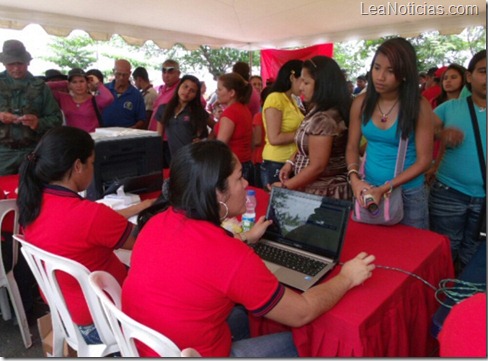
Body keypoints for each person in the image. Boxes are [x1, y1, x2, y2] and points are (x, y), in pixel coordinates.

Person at [121, 140, 376, 357]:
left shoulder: (157, 222)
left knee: (248, 315)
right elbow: (302, 312)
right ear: (217, 194)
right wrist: (347, 277)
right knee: (307, 343)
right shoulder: (229, 256)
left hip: (148, 345)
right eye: (239, 178)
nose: (245, 185)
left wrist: (244, 241)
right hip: (195, 352)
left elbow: (198, 262)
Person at [16, 126, 154, 345]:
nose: (93, 167)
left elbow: (82, 228)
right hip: (105, 320)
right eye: (92, 162)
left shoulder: (32, 203)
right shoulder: (90, 216)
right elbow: (143, 245)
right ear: (78, 166)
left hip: (66, 310)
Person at [345, 37, 433, 229]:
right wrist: (354, 180)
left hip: (408, 193)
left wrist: (386, 187)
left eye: (390, 71)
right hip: (367, 189)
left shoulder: (419, 106)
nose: (380, 76)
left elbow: (424, 161)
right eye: (377, 68)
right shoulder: (361, 102)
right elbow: (352, 146)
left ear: (404, 74)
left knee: (411, 251)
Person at [428, 50, 486, 269]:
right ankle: (442, 296)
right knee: (445, 249)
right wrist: (441, 134)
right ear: (470, 77)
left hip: (484, 200)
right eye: (483, 71)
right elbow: (422, 131)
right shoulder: (449, 107)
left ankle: (465, 299)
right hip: (449, 193)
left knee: (476, 253)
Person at [272, 56, 352, 199]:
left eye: (306, 82)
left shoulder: (325, 119)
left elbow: (317, 166)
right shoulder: (317, 111)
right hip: (313, 190)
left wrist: (285, 187)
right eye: (301, 81)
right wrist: (291, 162)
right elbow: (308, 145)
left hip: (324, 193)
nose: (301, 87)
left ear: (323, 84)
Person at [0, 39, 62, 175]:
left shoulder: (40, 87)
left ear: (27, 62)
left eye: (20, 63)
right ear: (4, 63)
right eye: (11, 64)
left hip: (33, 150)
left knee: (34, 190)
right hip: (2, 153)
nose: (16, 68)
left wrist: (38, 123)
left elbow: (57, 119)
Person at [260, 60, 304, 187]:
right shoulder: (275, 98)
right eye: (303, 81)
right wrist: (302, 134)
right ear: (292, 77)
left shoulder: (292, 100)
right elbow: (274, 138)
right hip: (276, 162)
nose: (303, 87)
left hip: (290, 161)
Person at [155, 75, 211, 157]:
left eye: (192, 91)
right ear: (179, 86)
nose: (187, 91)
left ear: (196, 95)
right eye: (185, 87)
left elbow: (217, 126)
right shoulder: (164, 109)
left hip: (195, 156)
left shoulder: (197, 111)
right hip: (174, 158)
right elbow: (158, 137)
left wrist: (206, 141)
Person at [214, 72, 254, 184]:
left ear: (231, 92)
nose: (217, 92)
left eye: (220, 89)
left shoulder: (230, 113)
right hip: (246, 161)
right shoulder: (243, 109)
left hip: (233, 165)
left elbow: (220, 145)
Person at [48, 68, 113, 133]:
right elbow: (45, 86)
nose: (79, 85)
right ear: (69, 84)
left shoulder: (94, 99)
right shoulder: (63, 98)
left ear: (87, 83)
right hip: (72, 139)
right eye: (74, 82)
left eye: (82, 81)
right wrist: (65, 83)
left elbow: (108, 98)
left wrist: (97, 83)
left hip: (92, 139)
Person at [102, 59, 146, 129]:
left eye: (124, 75)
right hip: (103, 133)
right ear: (113, 71)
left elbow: (142, 119)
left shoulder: (136, 95)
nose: (121, 77)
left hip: (127, 136)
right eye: (118, 74)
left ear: (129, 74)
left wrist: (132, 129)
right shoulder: (104, 90)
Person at [147, 59, 181, 131]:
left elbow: (200, 104)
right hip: (155, 133)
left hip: (168, 137)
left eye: (170, 72)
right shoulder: (163, 88)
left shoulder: (181, 89)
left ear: (178, 73)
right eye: (164, 71)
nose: (166, 75)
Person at [251, 86, 272, 189]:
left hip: (260, 158)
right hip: (273, 157)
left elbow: (257, 140)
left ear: (262, 101)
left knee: (261, 190)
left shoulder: (259, 116)